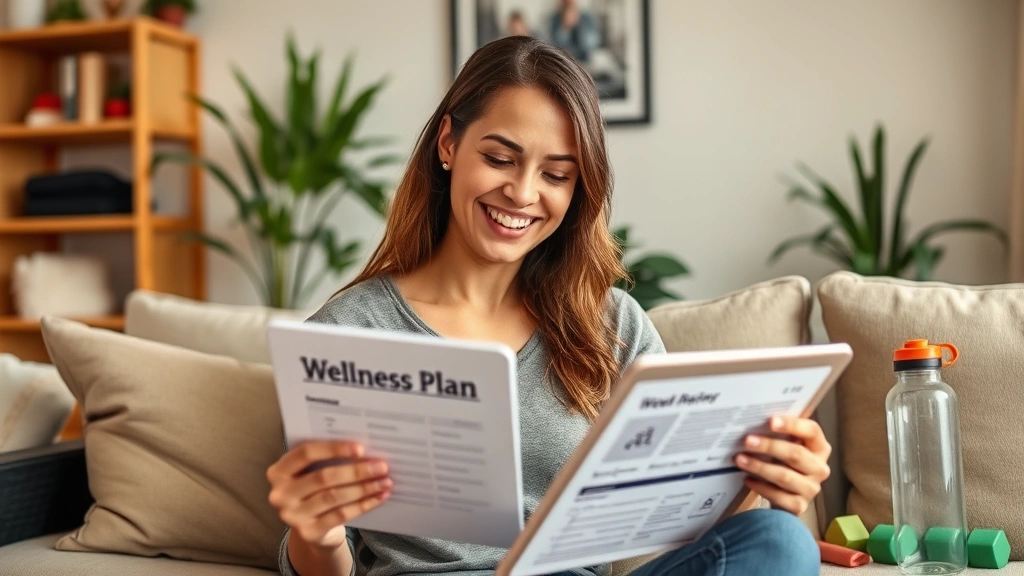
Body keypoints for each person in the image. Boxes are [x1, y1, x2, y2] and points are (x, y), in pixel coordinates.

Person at [266, 35, 828, 576]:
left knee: (780, 540)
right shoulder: (349, 334)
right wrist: (317, 535)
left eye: (556, 174)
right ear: (447, 144)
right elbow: (326, 563)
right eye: (500, 158)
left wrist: (769, 484)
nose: (523, 193)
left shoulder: (612, 326)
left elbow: (677, 518)